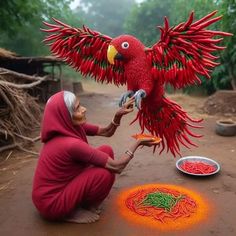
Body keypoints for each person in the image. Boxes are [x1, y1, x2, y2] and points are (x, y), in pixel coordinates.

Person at [32, 90, 157, 224]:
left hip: (55, 190)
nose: (84, 109)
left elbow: (106, 132)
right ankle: (70, 212)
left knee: (106, 150)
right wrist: (138, 143)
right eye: (77, 108)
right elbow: (117, 167)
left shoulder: (70, 126)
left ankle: (76, 202)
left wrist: (118, 115)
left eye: (80, 105)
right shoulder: (71, 145)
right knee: (105, 174)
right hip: (52, 204)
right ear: (65, 116)